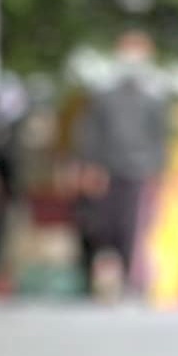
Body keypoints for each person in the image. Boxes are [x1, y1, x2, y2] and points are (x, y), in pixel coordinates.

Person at [71, 31, 168, 297]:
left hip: (138, 171)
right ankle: (96, 278)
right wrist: (89, 166)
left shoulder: (154, 96)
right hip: (106, 170)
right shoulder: (103, 93)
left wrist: (157, 169)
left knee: (130, 227)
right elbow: (90, 131)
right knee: (100, 225)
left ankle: (129, 280)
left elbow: (159, 136)